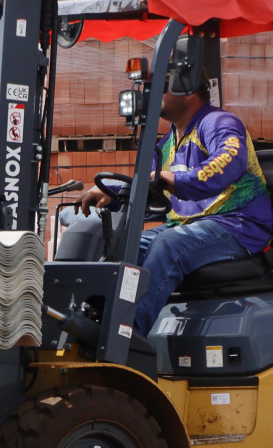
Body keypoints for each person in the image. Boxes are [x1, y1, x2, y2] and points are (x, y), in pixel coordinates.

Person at [78, 72, 273, 335]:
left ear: (188, 88)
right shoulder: (168, 143)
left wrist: (173, 179)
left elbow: (227, 163)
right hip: (190, 226)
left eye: (162, 85)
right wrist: (113, 193)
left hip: (236, 224)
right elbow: (150, 185)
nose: (152, 92)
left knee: (168, 244)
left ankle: (126, 337)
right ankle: (92, 323)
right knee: (120, 241)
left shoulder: (219, 123)